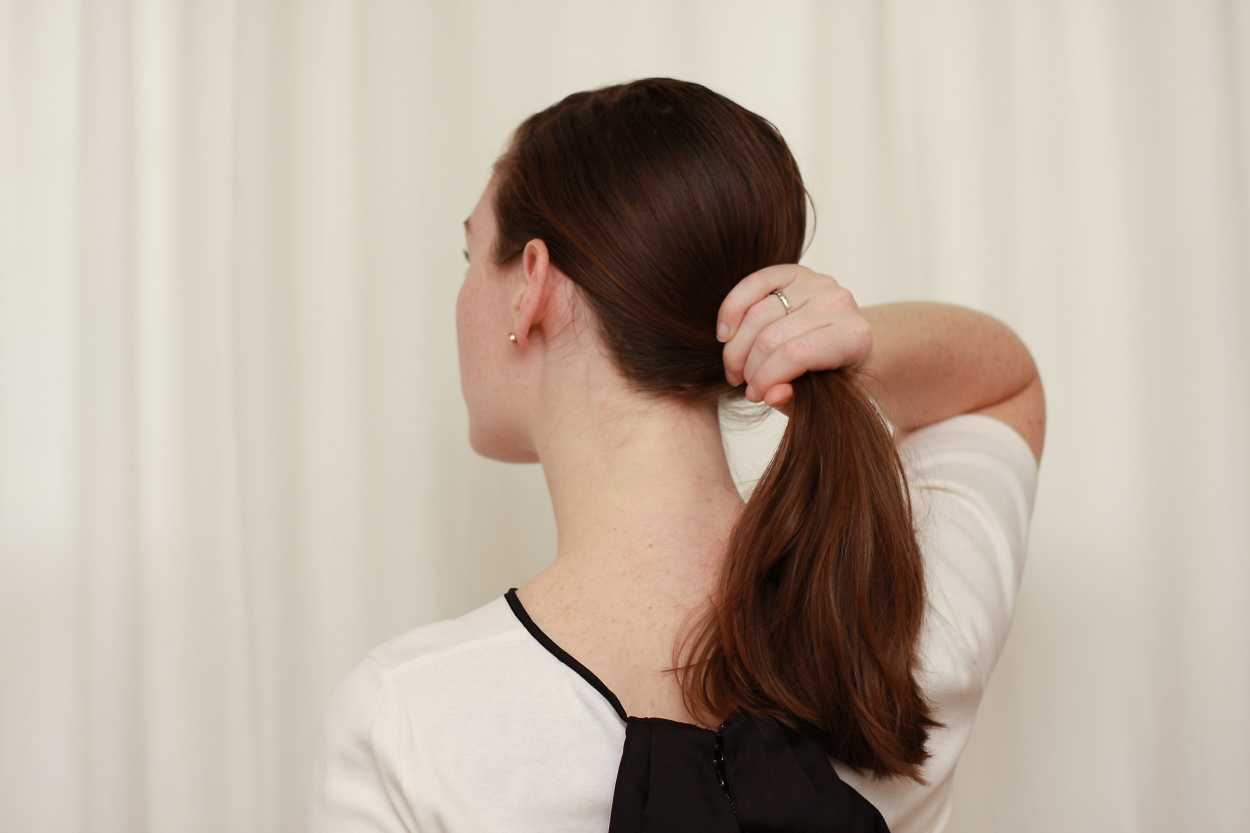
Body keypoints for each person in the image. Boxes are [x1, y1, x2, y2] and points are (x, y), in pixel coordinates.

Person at [305, 77, 1045, 833]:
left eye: (470, 253)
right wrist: (834, 342)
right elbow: (1003, 386)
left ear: (531, 281)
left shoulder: (414, 723)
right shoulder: (887, 627)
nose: (461, 295)